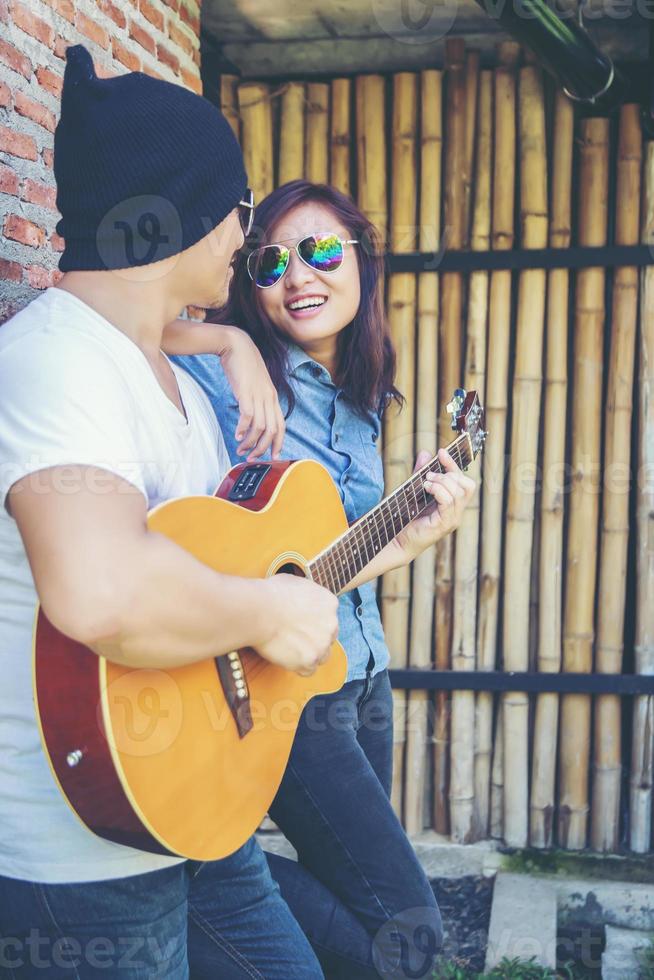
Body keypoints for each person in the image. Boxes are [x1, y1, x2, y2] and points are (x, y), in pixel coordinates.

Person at [0, 48, 340, 979]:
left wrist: (223, 334)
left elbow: (204, 571)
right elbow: (105, 593)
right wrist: (276, 613)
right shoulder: (59, 362)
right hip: (81, 862)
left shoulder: (164, 369)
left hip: (187, 812)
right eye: (237, 210)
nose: (245, 233)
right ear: (179, 211)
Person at [165, 179, 477, 979]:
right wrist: (228, 344)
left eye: (323, 251)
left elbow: (328, 558)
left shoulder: (362, 396)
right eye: (270, 263)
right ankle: (181, 873)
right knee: (410, 937)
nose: (299, 275)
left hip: (364, 675)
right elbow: (130, 325)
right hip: (285, 691)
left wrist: (409, 533)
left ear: (361, 265)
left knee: (370, 928)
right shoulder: (232, 378)